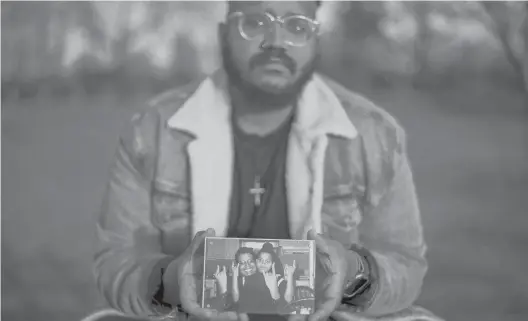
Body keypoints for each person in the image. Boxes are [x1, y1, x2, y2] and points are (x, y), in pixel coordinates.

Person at [86, 1, 445, 321]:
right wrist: (171, 282)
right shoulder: (151, 132)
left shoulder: (374, 135)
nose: (277, 41)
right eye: (256, 22)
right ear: (224, 33)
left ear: (316, 40)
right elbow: (117, 261)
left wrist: (353, 271)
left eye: (297, 26)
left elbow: (405, 262)